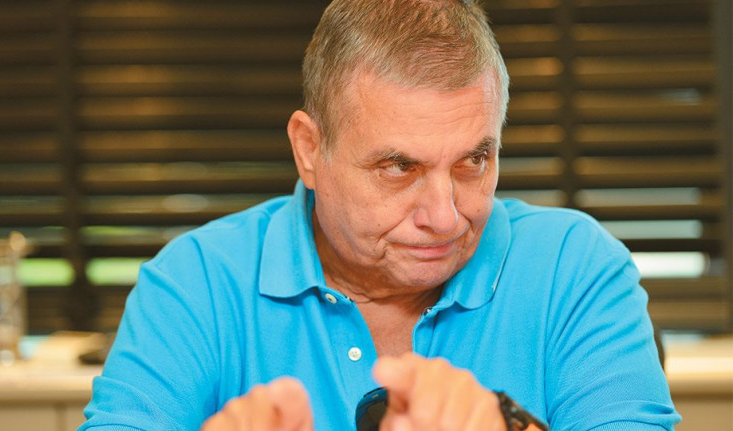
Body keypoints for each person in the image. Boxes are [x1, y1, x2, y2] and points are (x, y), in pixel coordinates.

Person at [80, 0, 681, 430]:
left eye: (473, 161)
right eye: (398, 167)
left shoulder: (575, 267)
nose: (445, 217)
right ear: (309, 150)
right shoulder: (196, 282)